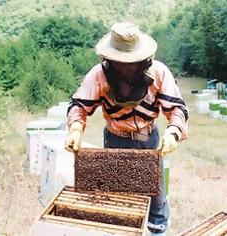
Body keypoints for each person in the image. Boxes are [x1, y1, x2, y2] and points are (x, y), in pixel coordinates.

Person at [65, 22, 189, 235]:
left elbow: (177, 107)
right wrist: (75, 128)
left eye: (131, 62)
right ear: (109, 59)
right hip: (115, 140)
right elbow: (78, 105)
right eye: (120, 62)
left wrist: (173, 132)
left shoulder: (159, 72)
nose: (126, 67)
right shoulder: (98, 75)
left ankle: (158, 231)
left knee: (156, 200)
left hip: (148, 140)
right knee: (119, 199)